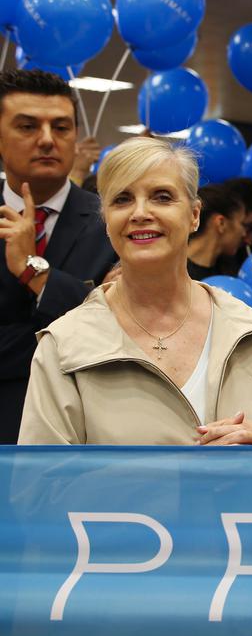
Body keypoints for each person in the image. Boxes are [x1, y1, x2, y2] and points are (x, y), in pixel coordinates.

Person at [18, 137, 252, 445]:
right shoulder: (63, 346)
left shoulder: (250, 332)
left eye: (162, 197)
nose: (140, 213)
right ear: (106, 220)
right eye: (122, 199)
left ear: (194, 215)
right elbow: (43, 484)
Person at [0, 70, 117, 443]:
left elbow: (115, 333)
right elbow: (90, 324)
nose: (48, 140)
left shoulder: (114, 224)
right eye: (28, 126)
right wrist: (73, 320)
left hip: (80, 437)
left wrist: (35, 272)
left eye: (62, 128)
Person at [186, 184, 245, 280]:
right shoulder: (171, 269)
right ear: (221, 223)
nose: (244, 234)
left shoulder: (229, 273)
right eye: (242, 223)